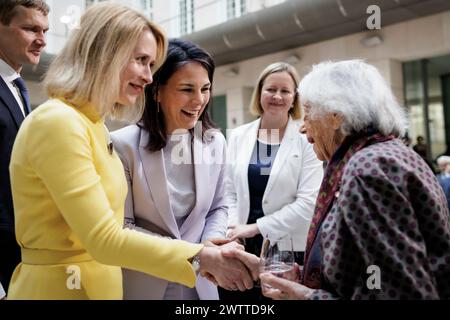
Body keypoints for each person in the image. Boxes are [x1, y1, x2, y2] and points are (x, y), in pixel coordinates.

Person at [7, 3, 258, 300]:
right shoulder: (58, 122)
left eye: (151, 65)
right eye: (141, 60)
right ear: (106, 53)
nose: (149, 77)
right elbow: (105, 238)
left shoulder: (92, 124)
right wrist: (200, 256)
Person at [260, 60, 450, 300]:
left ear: (336, 115)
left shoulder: (366, 169)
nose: (302, 127)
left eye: (308, 113)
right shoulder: (386, 153)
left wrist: (306, 297)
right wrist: (303, 277)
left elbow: (403, 293)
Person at [111, 39, 229, 300]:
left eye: (205, 88)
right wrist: (190, 253)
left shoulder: (214, 142)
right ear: (156, 91)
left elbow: (219, 206)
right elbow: (123, 226)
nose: (199, 100)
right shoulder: (123, 145)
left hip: (202, 283)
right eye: (187, 89)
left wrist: (209, 244)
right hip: (146, 283)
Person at [224, 62, 323, 300]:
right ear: (259, 93)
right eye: (271, 89)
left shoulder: (306, 137)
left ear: (294, 98)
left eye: (285, 91)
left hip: (287, 254)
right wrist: (233, 230)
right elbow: (228, 191)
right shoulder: (239, 136)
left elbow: (309, 203)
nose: (277, 96)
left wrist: (256, 228)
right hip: (240, 249)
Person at [0, 0, 49, 296]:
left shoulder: (17, 86)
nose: (41, 39)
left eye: (44, 30)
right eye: (31, 28)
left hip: (23, 253)